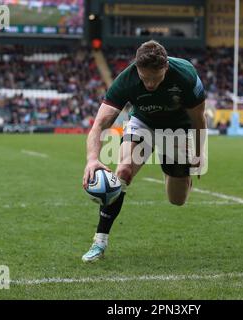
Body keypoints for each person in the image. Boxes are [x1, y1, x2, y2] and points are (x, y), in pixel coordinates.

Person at [81, 40, 207, 262]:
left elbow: (198, 118)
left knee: (177, 200)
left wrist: (198, 155)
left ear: (165, 67)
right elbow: (99, 125)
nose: (149, 84)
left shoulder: (186, 75)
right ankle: (99, 242)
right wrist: (92, 160)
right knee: (123, 172)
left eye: (155, 78)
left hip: (177, 128)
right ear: (136, 69)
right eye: (144, 78)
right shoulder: (126, 80)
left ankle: (172, 168)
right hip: (143, 123)